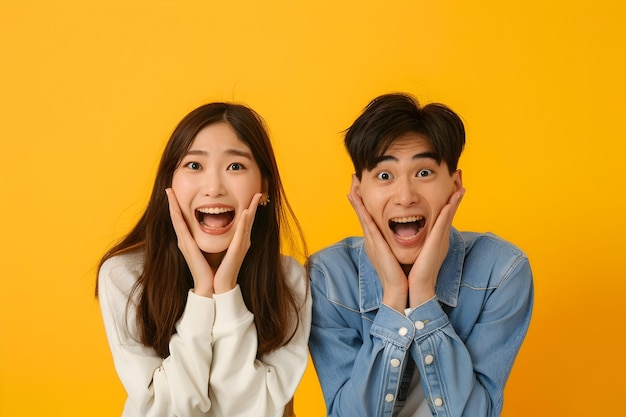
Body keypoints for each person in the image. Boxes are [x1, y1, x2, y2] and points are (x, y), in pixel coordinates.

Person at [308, 93, 533, 417]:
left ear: (454, 184)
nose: (405, 196)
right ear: (358, 191)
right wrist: (394, 297)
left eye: (424, 173)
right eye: (385, 176)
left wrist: (424, 294)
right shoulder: (329, 278)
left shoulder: (500, 272)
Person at [96, 102, 311, 417]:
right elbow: (165, 411)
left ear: (264, 187)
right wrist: (202, 294)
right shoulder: (125, 275)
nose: (213, 188)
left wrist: (225, 291)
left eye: (235, 167)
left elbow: (257, 411)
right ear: (168, 183)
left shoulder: (288, 279)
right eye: (194, 166)